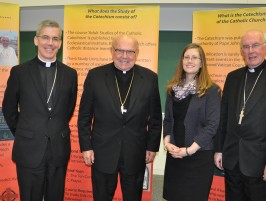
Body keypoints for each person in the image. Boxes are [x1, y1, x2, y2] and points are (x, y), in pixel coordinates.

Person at [214, 30, 266, 201]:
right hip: (232, 160)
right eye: (246, 47)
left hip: (263, 164)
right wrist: (219, 149)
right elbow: (223, 118)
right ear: (241, 51)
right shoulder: (233, 77)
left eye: (255, 45)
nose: (251, 51)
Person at [78, 35, 162, 201]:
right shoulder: (96, 76)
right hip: (102, 152)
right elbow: (84, 116)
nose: (125, 56)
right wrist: (86, 147)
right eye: (120, 50)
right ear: (112, 51)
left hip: (135, 151)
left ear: (137, 53)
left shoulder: (150, 78)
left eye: (130, 51)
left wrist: (152, 147)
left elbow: (156, 118)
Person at [2, 20, 78, 201]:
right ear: (36, 40)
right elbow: (9, 108)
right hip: (29, 149)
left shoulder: (70, 74)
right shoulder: (19, 72)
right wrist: (23, 131)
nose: (50, 43)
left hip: (58, 150)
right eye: (45, 37)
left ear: (59, 43)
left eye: (55, 38)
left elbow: (68, 109)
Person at [163, 43, 221, 201]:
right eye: (187, 57)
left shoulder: (211, 90)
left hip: (199, 157)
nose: (190, 60)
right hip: (175, 155)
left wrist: (189, 150)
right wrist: (167, 144)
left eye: (195, 57)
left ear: (202, 63)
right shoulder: (172, 89)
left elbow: (212, 125)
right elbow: (168, 120)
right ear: (182, 61)